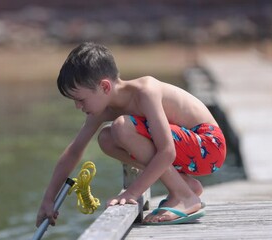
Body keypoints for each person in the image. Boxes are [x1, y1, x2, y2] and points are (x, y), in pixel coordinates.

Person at [35, 42, 226, 226]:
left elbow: (167, 151)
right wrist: (48, 199)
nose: (78, 107)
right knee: (106, 138)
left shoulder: (145, 92)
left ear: (105, 87)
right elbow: (74, 152)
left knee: (121, 127)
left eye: (81, 99)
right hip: (188, 149)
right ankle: (184, 186)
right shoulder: (101, 110)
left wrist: (132, 193)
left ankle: (184, 196)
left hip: (208, 145)